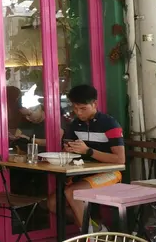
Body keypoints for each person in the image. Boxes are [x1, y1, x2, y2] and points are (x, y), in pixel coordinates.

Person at [48, 84, 126, 229]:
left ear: (94, 104)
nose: (78, 113)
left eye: (83, 108)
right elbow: (69, 149)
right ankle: (96, 230)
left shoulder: (110, 124)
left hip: (110, 173)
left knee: (72, 192)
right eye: (75, 108)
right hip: (83, 173)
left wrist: (88, 151)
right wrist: (68, 149)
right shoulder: (76, 124)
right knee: (53, 204)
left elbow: (120, 160)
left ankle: (89, 240)